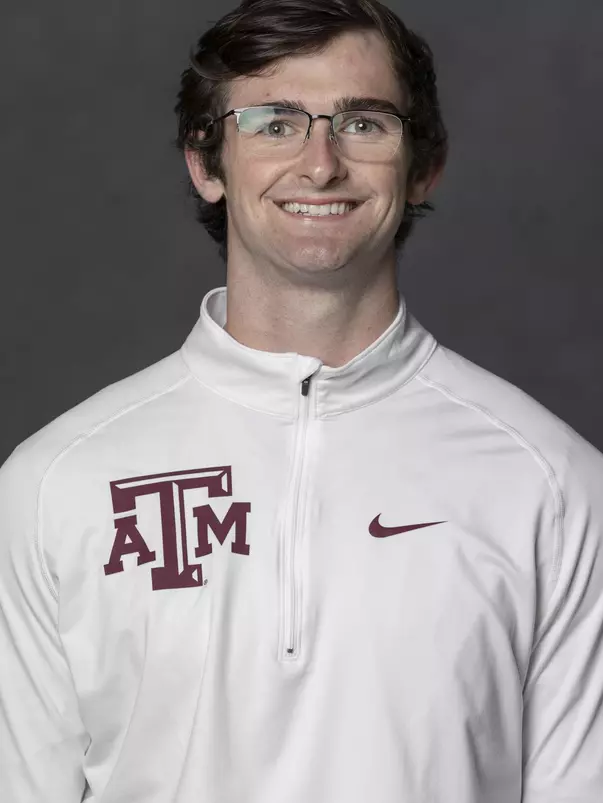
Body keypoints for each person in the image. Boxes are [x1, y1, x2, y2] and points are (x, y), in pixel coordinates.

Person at [1, 0, 602, 800]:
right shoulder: (53, 484)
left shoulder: (556, 486)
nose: (320, 165)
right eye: (273, 122)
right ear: (205, 163)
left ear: (424, 164)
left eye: (364, 123)